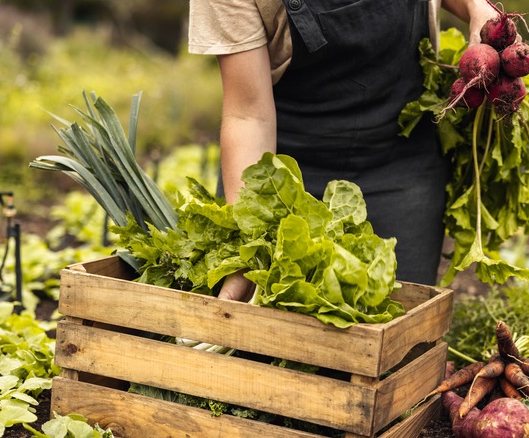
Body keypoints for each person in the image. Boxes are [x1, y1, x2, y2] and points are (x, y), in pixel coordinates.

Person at [188, 0, 498, 301]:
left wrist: (475, 7)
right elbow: (248, 115)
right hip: (287, 176)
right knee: (264, 342)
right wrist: (249, 238)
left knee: (401, 334)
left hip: (403, 159)